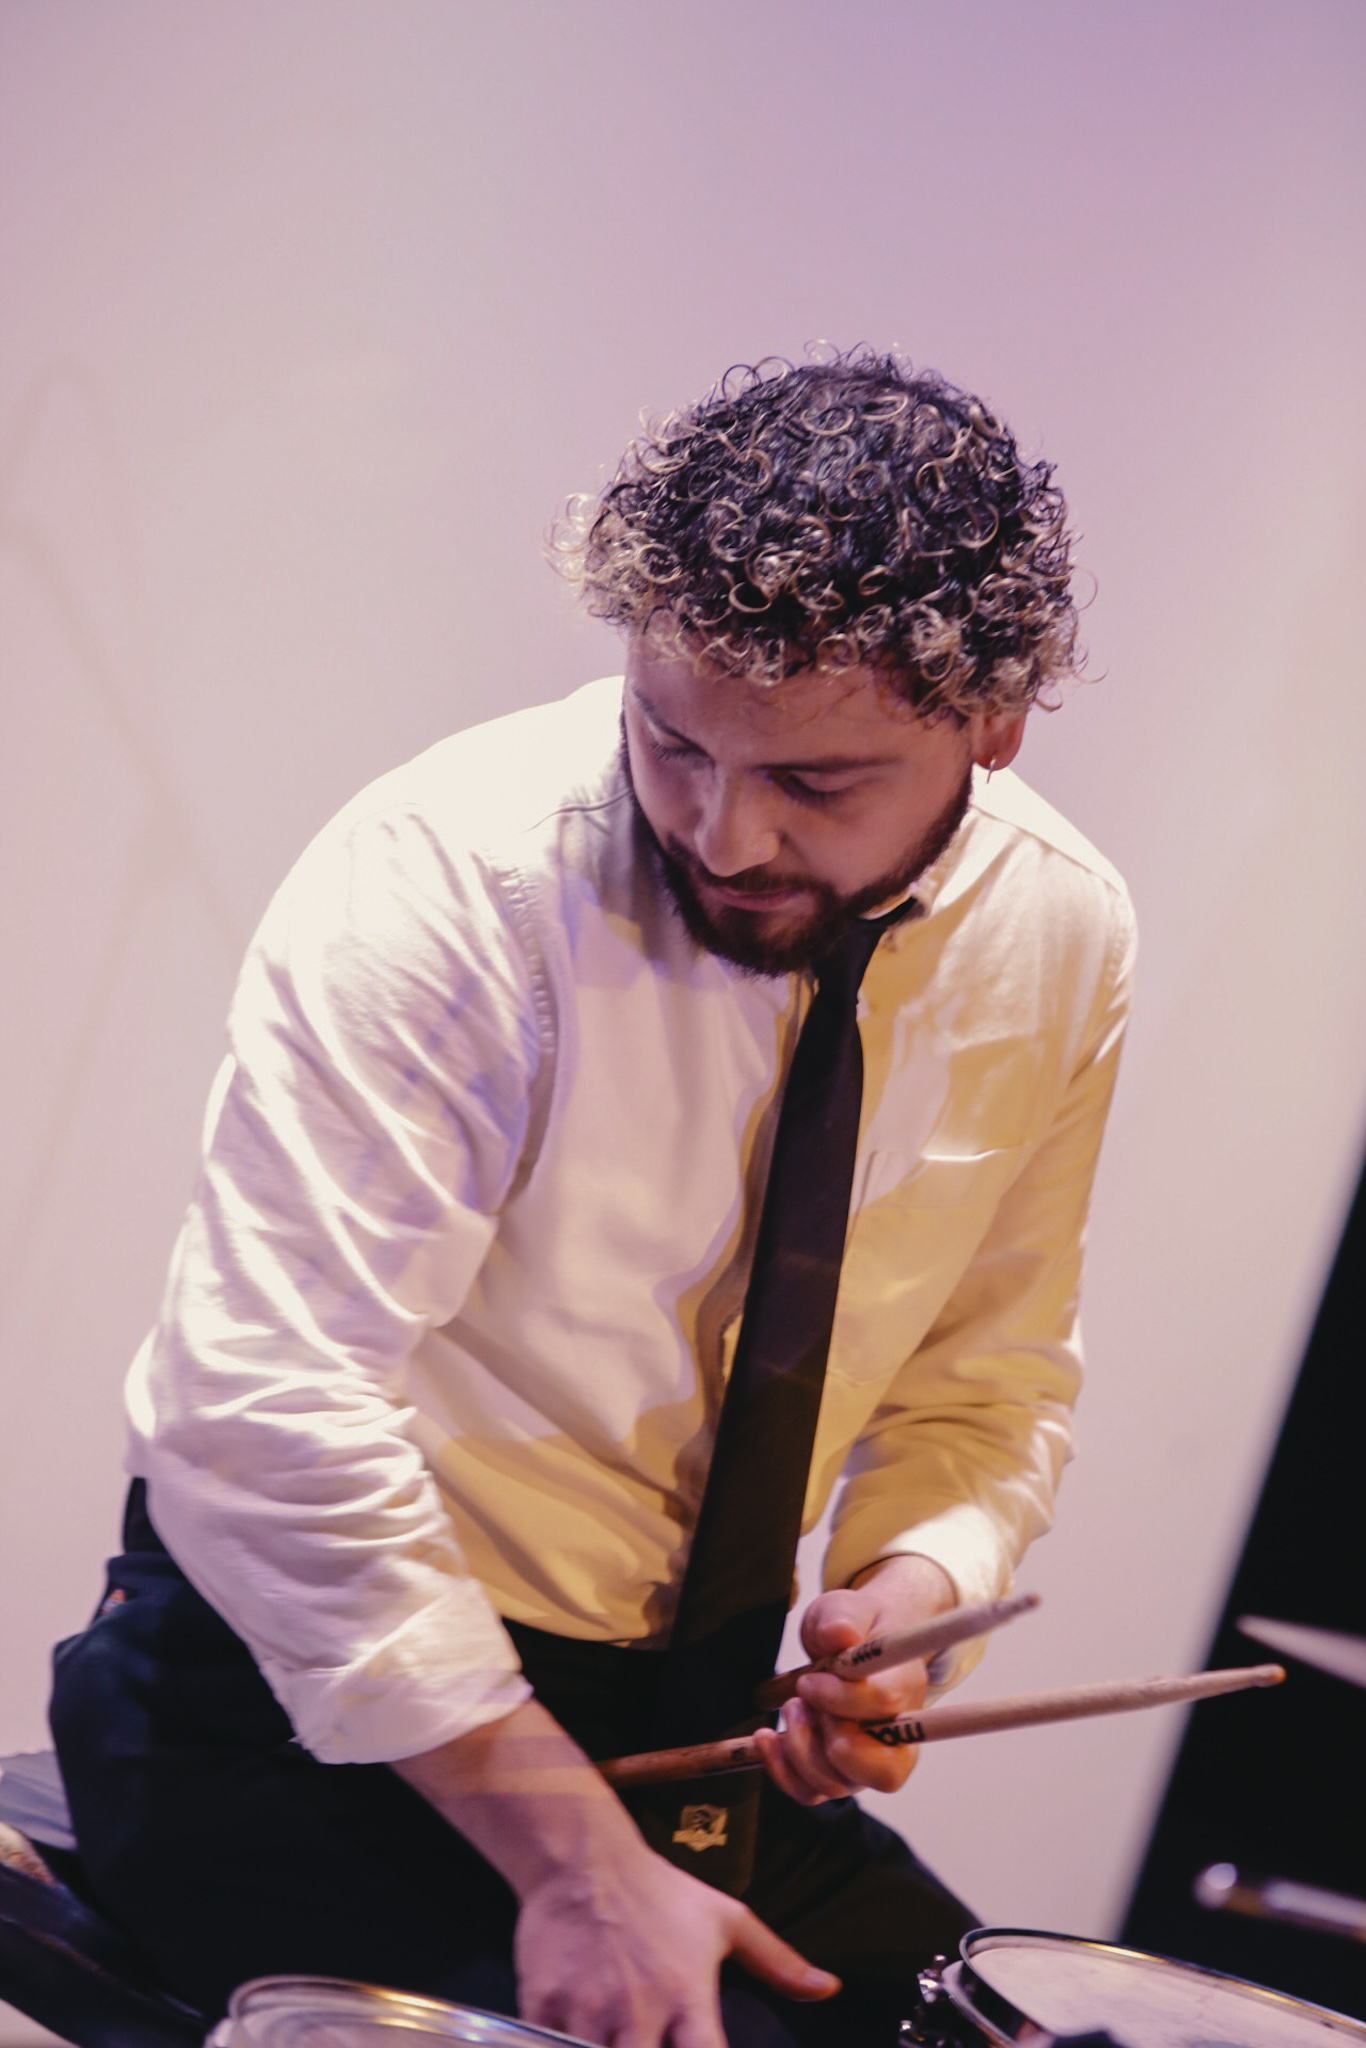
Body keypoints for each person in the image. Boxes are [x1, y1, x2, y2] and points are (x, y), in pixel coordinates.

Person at [50, 351, 1135, 2048]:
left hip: (684, 1730)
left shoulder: (1060, 932)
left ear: (991, 727)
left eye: (814, 785)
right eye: (671, 740)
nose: (723, 831)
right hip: (284, 1707)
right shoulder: (451, 875)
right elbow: (260, 1416)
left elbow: (985, 1390)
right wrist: (571, 1863)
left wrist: (904, 1608)